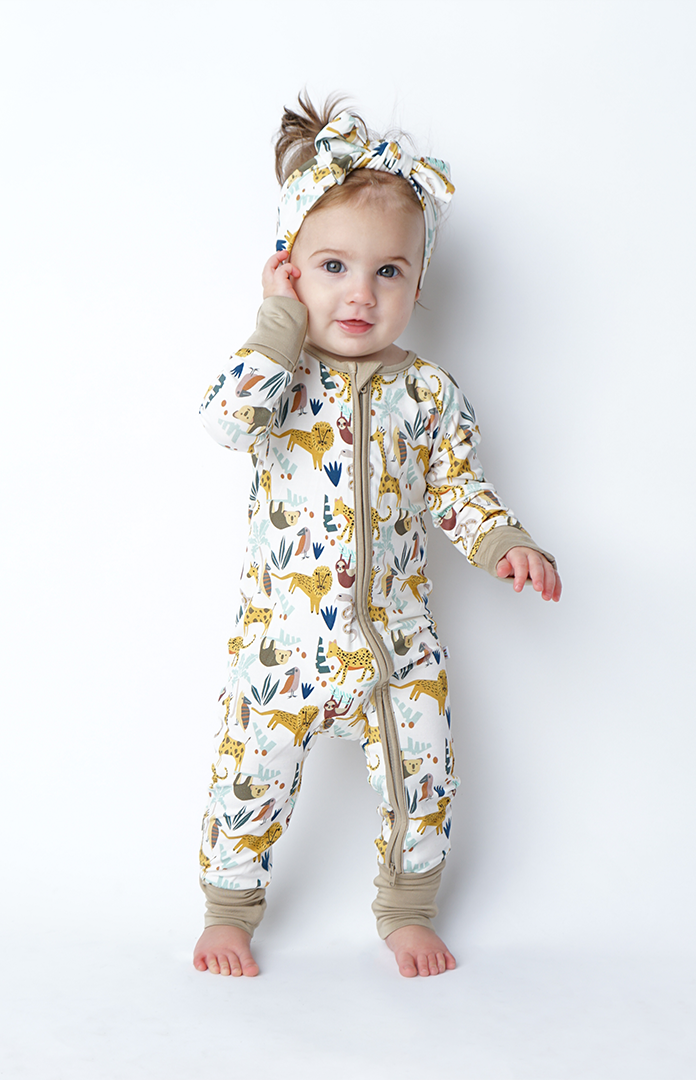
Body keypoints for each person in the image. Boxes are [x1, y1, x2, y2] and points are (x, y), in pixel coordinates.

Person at [193, 94, 561, 978]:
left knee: (422, 775)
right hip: (283, 644)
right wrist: (275, 324)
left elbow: (458, 490)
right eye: (332, 266)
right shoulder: (278, 375)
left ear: (418, 284)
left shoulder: (428, 393)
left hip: (398, 642)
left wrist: (503, 540)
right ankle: (229, 911)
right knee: (251, 777)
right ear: (290, 271)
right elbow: (227, 421)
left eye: (389, 272)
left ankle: (406, 908)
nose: (361, 292)